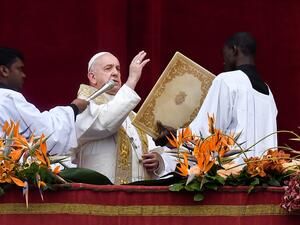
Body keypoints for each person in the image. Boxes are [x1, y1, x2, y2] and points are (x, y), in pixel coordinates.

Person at [72, 51, 176, 184]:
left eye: (118, 68)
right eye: (108, 68)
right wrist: (132, 81)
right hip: (102, 198)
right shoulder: (84, 107)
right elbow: (106, 122)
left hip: (139, 196)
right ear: (92, 77)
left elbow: (155, 151)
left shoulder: (132, 115)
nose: (115, 72)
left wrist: (157, 161)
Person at [188, 32, 278, 163]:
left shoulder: (227, 80)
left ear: (234, 50)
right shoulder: (268, 92)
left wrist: (173, 136)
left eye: (224, 54)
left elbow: (206, 133)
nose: (223, 61)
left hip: (230, 177)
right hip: (262, 177)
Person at [0, 47, 88, 156]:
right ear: (4, 70)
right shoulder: (8, 98)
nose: (23, 75)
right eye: (19, 69)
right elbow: (46, 133)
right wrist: (74, 108)